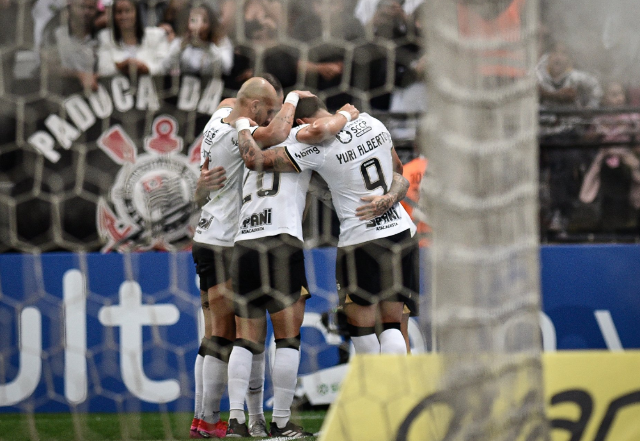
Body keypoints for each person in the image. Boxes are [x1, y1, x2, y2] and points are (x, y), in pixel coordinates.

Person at [233, 96, 416, 358]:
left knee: (363, 334)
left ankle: (379, 392)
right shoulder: (372, 122)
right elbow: (398, 171)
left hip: (361, 240)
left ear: (301, 123)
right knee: (392, 326)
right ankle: (399, 392)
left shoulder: (318, 148)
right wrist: (386, 200)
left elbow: (256, 160)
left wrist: (242, 126)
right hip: (400, 232)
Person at [226, 101, 360, 438]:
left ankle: (235, 422)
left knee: (245, 340)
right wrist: (346, 115)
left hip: (244, 244)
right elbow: (326, 131)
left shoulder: (247, 149)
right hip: (281, 243)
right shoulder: (300, 142)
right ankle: (282, 423)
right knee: (287, 339)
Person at [191, 77, 312, 438]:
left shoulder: (220, 120)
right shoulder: (265, 136)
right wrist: (293, 103)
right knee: (258, 336)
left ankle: (221, 419)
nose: (274, 115)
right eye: (269, 107)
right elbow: (276, 134)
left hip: (213, 236)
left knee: (224, 335)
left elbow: (234, 103)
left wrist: (199, 183)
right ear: (257, 107)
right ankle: (260, 420)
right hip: (236, 238)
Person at [579, 82, 640, 232]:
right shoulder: (601, 118)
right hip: (606, 154)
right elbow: (587, 138)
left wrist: (629, 131)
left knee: (634, 172)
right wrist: (600, 129)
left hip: (626, 154)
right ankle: (604, 217)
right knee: (598, 174)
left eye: (620, 94)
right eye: (613, 95)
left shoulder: (631, 115)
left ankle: (632, 211)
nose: (618, 98)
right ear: (605, 100)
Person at [97, 0, 169, 77]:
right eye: (119, 12)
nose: (123, 16)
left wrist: (146, 68)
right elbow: (103, 70)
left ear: (137, 13)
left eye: (128, 11)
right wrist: (121, 66)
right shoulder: (105, 37)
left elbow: (164, 66)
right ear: (113, 16)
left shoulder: (156, 35)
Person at [161, 3, 233, 77]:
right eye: (193, 19)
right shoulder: (181, 40)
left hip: (212, 84)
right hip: (186, 85)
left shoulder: (221, 40)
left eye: (204, 20)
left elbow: (226, 67)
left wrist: (207, 45)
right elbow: (165, 66)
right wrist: (181, 47)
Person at [43, 0, 100, 93]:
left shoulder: (101, 37)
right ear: (71, 8)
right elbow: (48, 67)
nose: (86, 12)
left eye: (91, 8)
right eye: (82, 7)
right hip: (62, 93)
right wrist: (79, 75)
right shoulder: (55, 34)